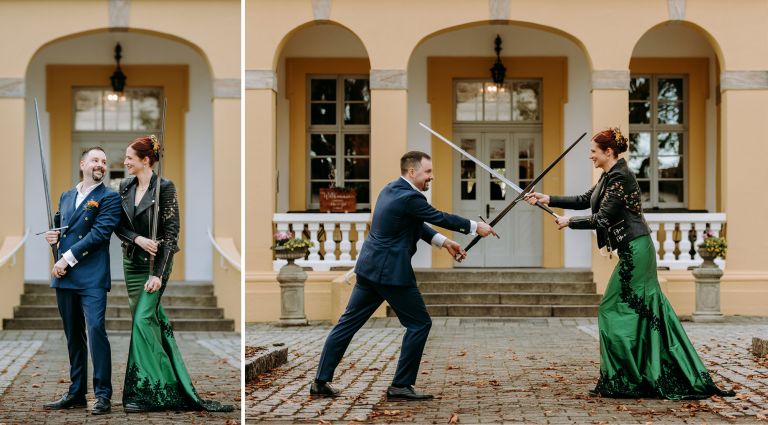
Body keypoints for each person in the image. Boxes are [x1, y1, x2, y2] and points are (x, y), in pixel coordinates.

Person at [524, 128, 735, 399]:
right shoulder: (610, 176)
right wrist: (547, 198)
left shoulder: (621, 177)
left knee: (611, 309)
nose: (590, 156)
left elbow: (601, 218)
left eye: (593, 151)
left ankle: (626, 378)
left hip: (636, 251)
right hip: (632, 250)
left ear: (608, 152)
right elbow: (584, 201)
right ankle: (642, 374)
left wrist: (569, 222)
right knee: (647, 312)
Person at [311, 151, 497, 400]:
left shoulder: (390, 189)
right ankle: (401, 385)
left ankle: (320, 381)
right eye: (427, 172)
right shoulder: (411, 197)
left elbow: (416, 223)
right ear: (412, 172)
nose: (431, 177)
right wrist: (475, 227)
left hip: (369, 269)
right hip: (391, 273)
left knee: (347, 324)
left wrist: (443, 242)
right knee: (419, 323)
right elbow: (438, 216)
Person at [115, 135, 234, 412]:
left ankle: (144, 392)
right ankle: (168, 384)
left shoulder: (165, 188)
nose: (126, 162)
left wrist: (158, 274)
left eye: (130, 158)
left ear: (146, 160)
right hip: (132, 263)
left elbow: (171, 234)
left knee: (143, 321)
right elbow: (118, 226)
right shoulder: (124, 186)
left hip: (156, 265)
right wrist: (137, 239)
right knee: (148, 323)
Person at [44, 147, 121, 415]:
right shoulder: (66, 196)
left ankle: (103, 395)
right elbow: (60, 226)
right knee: (73, 335)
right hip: (65, 276)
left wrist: (65, 259)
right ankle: (76, 392)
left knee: (96, 329)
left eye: (103, 161)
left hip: (92, 275)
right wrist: (52, 236)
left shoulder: (110, 197)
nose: (100, 164)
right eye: (95, 160)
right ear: (83, 164)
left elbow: (99, 234)